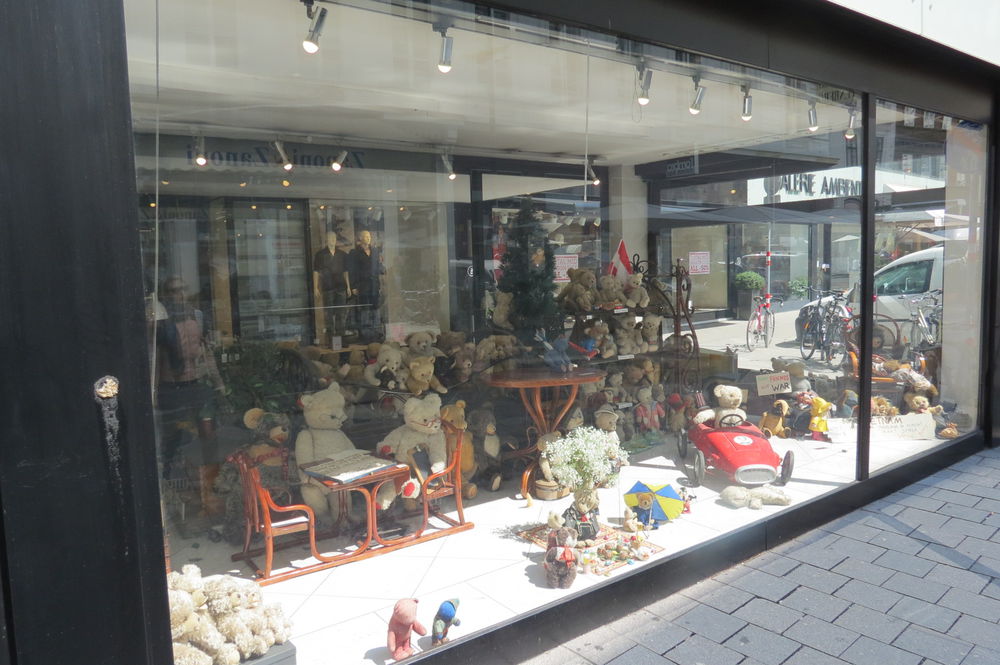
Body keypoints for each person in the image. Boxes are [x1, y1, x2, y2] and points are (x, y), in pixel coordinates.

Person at [155, 276, 225, 476]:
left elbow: (206, 351)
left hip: (198, 382)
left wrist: (218, 382)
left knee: (208, 433)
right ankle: (171, 477)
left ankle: (212, 478)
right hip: (171, 385)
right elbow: (155, 356)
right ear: (166, 294)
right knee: (173, 436)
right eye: (174, 290)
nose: (180, 294)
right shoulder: (160, 320)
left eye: (183, 289)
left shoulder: (197, 316)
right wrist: (153, 389)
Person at [312, 231, 351, 344]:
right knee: (329, 314)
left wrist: (348, 287)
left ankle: (341, 340)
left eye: (334, 238)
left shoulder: (342, 254)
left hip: (341, 287)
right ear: (326, 240)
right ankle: (332, 341)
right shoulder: (320, 254)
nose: (332, 240)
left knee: (341, 314)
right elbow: (316, 271)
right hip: (328, 287)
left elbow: (345, 271)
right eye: (330, 238)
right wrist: (315, 287)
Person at [348, 229, 385, 342]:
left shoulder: (375, 251)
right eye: (365, 236)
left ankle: (377, 333)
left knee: (375, 308)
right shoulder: (354, 252)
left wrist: (380, 283)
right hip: (362, 285)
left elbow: (378, 267)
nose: (368, 238)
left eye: (369, 236)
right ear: (360, 238)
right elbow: (352, 270)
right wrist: (353, 286)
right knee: (364, 309)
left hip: (374, 284)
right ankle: (365, 335)